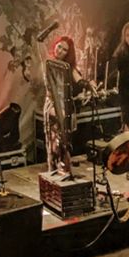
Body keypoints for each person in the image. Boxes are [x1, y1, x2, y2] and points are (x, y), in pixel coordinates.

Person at [43, 34, 90, 175]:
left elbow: (79, 79)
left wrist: (87, 85)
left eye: (64, 50)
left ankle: (65, 170)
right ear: (55, 46)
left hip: (65, 107)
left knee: (64, 142)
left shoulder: (68, 67)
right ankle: (54, 170)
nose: (60, 51)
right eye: (59, 47)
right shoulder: (49, 63)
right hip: (52, 105)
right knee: (53, 142)